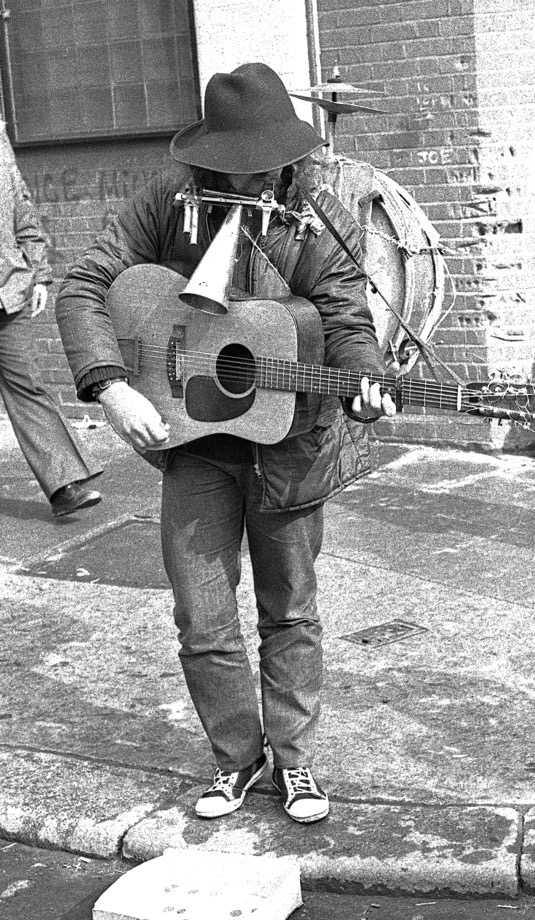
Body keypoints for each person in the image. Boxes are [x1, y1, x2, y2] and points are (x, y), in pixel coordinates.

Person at [55, 62, 396, 824]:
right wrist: (112, 385)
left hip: (289, 443)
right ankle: (237, 758)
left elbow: (347, 319)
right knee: (201, 616)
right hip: (195, 440)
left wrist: (365, 381)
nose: (251, 180)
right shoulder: (169, 198)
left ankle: (295, 762)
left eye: (263, 166)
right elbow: (84, 284)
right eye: (234, 167)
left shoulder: (319, 212)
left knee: (289, 610)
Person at [0, 124, 102, 516]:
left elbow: (21, 208)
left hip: (9, 292)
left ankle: (63, 486)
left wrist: (40, 274)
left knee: (28, 385)